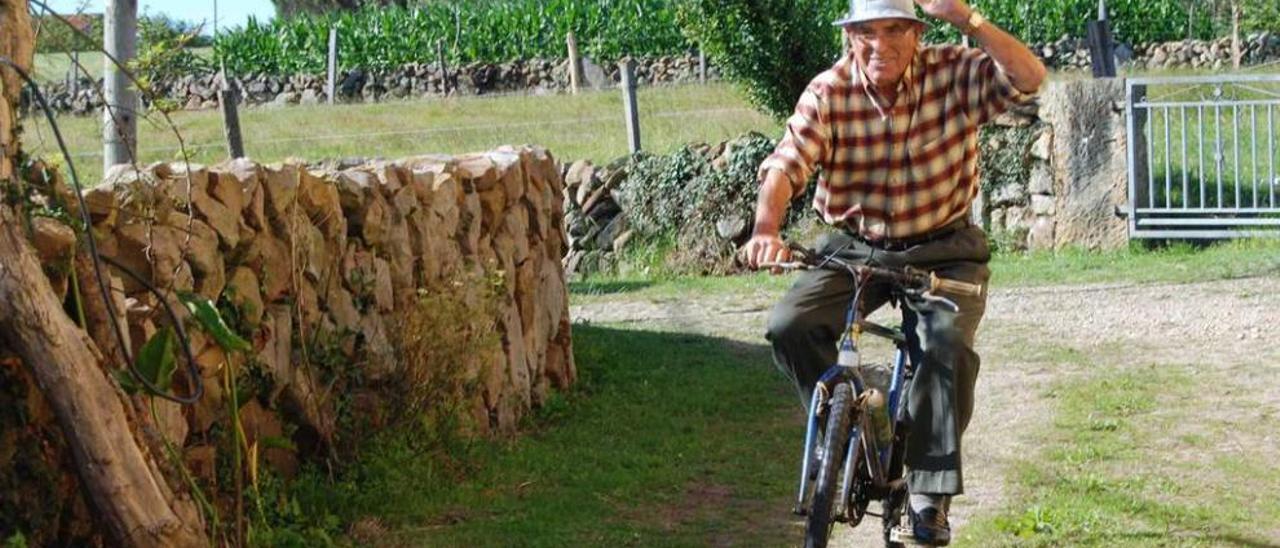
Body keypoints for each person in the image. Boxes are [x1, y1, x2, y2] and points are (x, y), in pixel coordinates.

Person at [742, 0, 1046, 544]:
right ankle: (839, 423)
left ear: (915, 34)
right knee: (789, 323)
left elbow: (1029, 78)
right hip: (856, 245)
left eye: (893, 31)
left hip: (944, 246)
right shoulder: (830, 91)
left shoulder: (953, 72)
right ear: (849, 36)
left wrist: (967, 19)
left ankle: (929, 493)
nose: (879, 45)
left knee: (945, 347)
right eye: (865, 32)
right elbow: (787, 163)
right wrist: (766, 228)